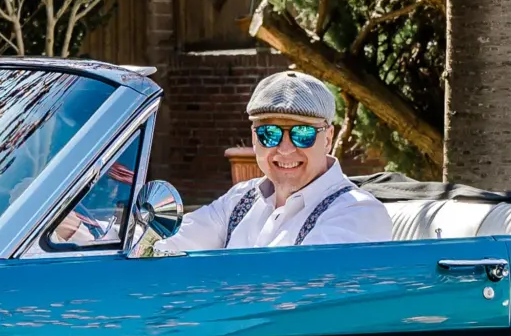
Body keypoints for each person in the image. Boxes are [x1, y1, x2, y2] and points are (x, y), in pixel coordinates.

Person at [166, 71, 392, 252]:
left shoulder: (357, 212)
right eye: (269, 133)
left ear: (328, 138)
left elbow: (296, 293)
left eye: (303, 133)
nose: (285, 149)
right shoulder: (239, 200)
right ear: (255, 139)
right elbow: (169, 245)